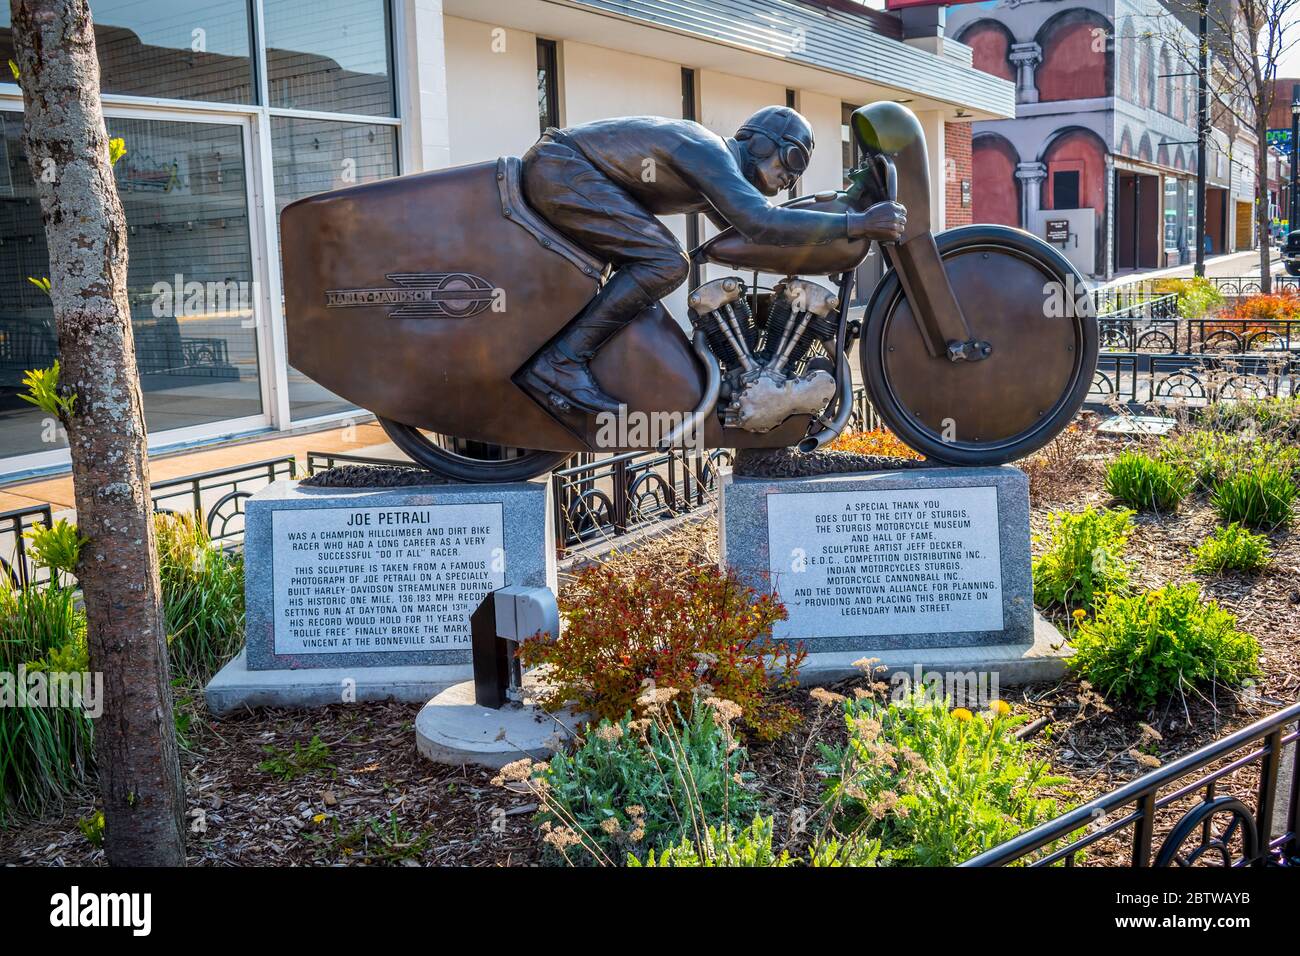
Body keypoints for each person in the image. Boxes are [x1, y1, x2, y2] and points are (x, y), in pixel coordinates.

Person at [519, 106, 907, 415]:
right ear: (759, 142)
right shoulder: (710, 151)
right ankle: (562, 361)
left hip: (564, 167)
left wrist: (825, 237)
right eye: (791, 157)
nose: (790, 175)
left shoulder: (716, 165)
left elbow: (751, 235)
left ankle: (601, 359)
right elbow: (761, 221)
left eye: (799, 170)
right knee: (666, 262)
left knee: (662, 261)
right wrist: (856, 222)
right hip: (563, 168)